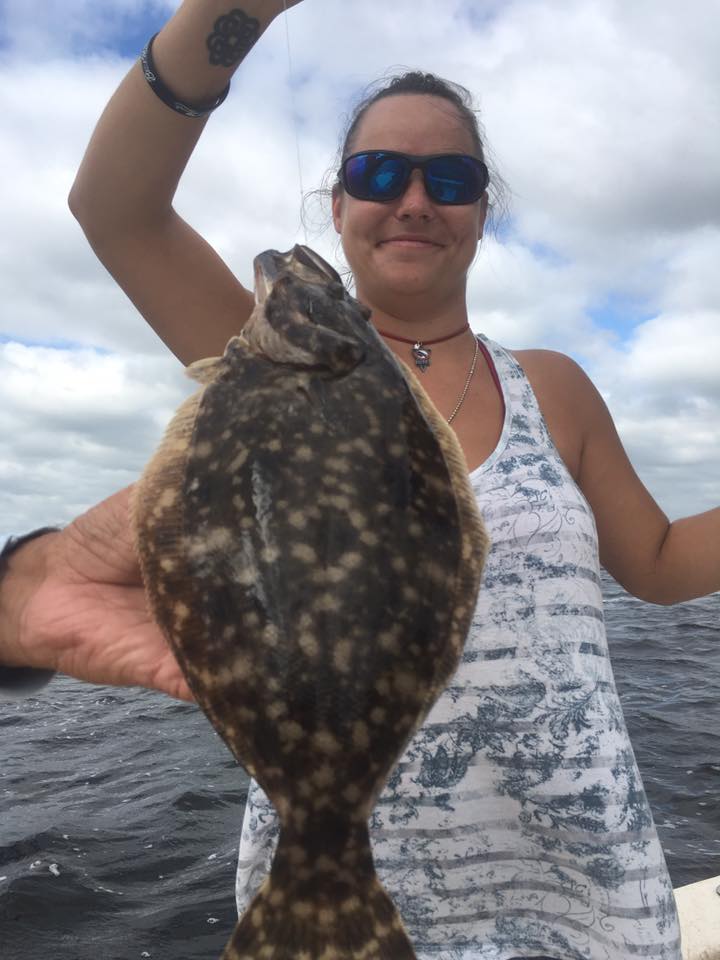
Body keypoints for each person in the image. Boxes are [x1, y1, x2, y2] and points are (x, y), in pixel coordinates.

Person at [1, 1, 718, 957]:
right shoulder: (256, 363)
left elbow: (662, 563)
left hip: (581, 886)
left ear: (480, 209)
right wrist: (236, 10)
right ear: (336, 205)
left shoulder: (552, 386)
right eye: (378, 173)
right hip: (326, 882)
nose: (415, 198)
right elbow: (113, 208)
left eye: (450, 177)